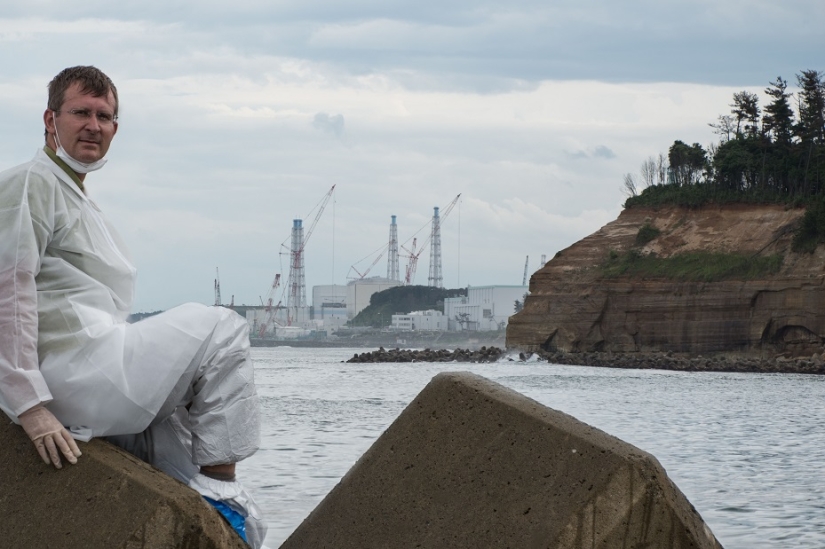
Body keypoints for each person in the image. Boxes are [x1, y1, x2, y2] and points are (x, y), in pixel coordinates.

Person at [0, 66, 268, 548]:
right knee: (222, 328)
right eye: (80, 112)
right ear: (50, 119)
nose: (93, 125)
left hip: (95, 373)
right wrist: (29, 406)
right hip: (69, 372)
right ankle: (222, 491)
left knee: (186, 474)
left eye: (105, 116)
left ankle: (223, 515)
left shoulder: (77, 196)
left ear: (115, 129)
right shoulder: (30, 183)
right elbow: (8, 291)